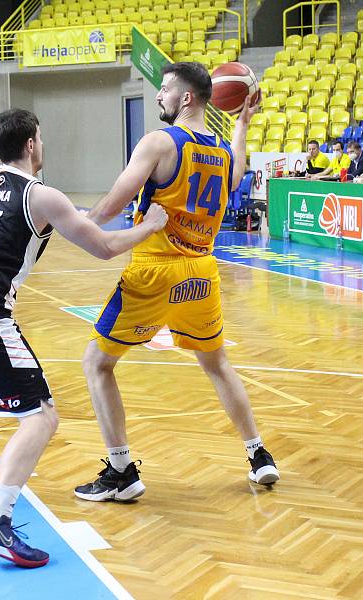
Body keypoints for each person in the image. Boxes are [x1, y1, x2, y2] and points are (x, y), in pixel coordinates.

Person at [0, 104, 167, 568]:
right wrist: (149, 226)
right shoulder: (41, 196)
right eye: (40, 138)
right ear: (30, 144)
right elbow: (103, 248)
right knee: (41, 417)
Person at [74, 62, 279, 504]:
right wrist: (242, 125)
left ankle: (121, 470)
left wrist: (77, 221)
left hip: (154, 269)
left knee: (96, 364)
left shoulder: (159, 143)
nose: (158, 96)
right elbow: (239, 170)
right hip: (202, 275)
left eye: (165, 89)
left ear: (186, 97)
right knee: (217, 364)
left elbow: (116, 200)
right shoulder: (222, 152)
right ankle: (258, 453)